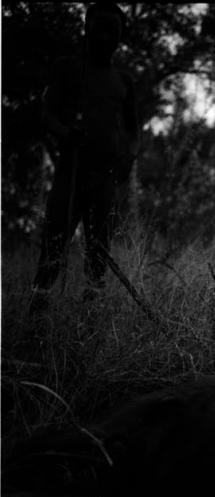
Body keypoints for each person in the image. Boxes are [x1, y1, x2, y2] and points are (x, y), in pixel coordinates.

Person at [30, 3, 138, 313]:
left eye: (113, 31)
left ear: (120, 37)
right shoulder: (67, 68)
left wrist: (128, 159)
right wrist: (65, 132)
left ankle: (88, 324)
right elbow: (47, 113)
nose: (105, 37)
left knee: (99, 253)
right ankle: (36, 320)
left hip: (105, 178)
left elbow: (133, 130)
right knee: (53, 246)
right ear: (86, 30)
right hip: (70, 172)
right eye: (99, 28)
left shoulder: (124, 81)